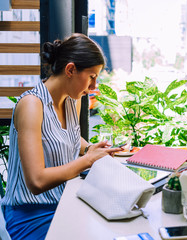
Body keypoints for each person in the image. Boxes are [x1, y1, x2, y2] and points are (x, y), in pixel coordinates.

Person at [1, 33, 123, 239]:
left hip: (63, 201)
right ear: (70, 69)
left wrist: (89, 148)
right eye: (92, 77)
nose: (94, 87)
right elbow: (37, 181)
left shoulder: (71, 100)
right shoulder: (32, 105)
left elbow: (67, 136)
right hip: (31, 214)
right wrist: (88, 160)